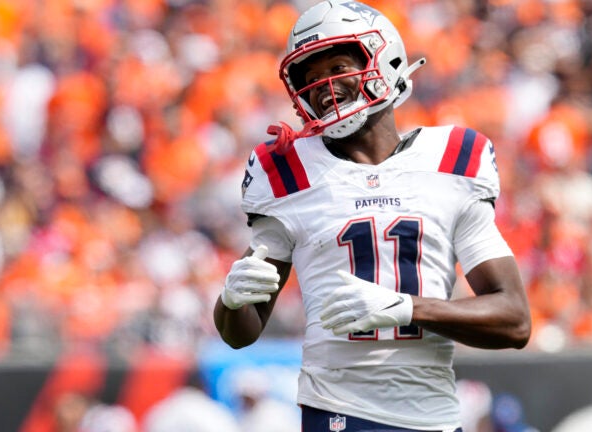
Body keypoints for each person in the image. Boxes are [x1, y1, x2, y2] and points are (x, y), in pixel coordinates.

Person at [213, 1, 532, 431]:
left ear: (386, 60)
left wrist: (406, 308)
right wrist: (230, 301)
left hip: (436, 417)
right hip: (337, 413)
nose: (326, 86)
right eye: (312, 78)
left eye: (338, 66)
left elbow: (514, 320)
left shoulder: (453, 161)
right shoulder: (289, 171)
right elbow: (241, 332)